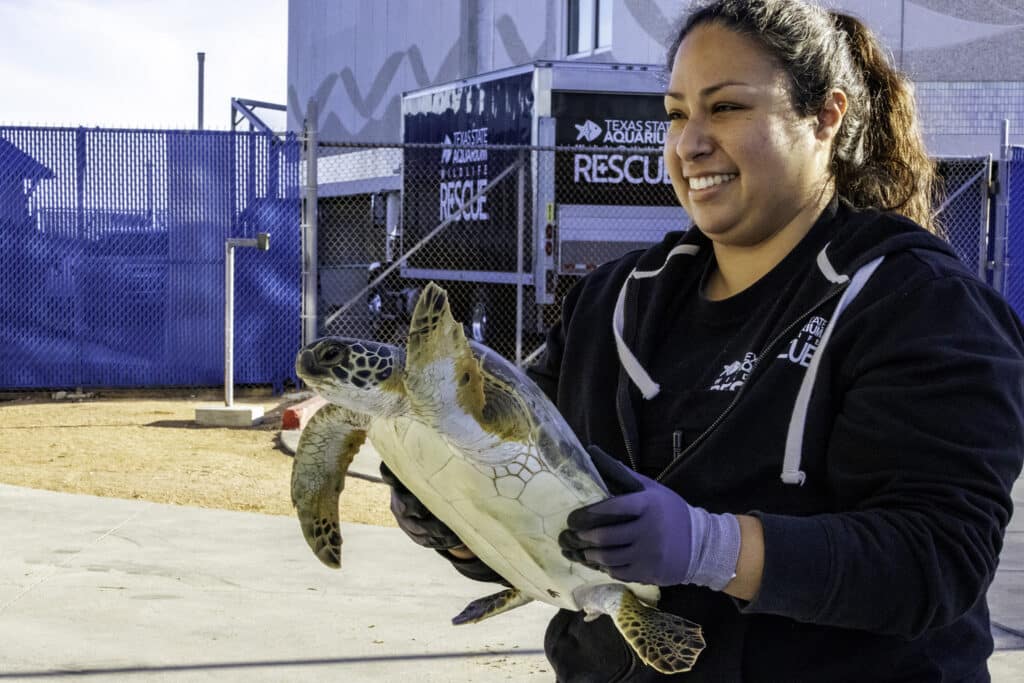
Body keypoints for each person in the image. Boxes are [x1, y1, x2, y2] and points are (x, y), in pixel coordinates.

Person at [381, 0, 1024, 679]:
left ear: (825, 116)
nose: (690, 142)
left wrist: (710, 546)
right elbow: (532, 503)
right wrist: (454, 521)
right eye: (676, 113)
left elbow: (934, 556)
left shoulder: (916, 302)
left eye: (726, 109)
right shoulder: (611, 304)